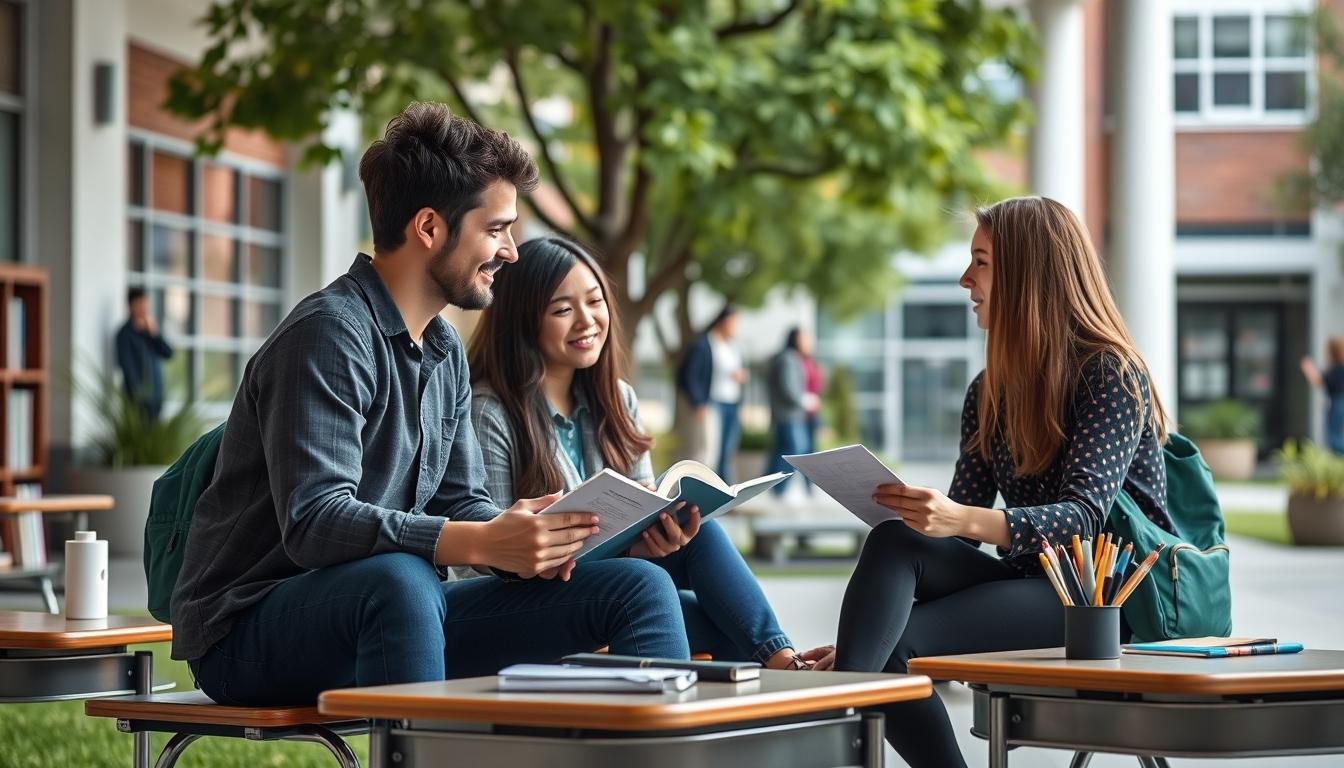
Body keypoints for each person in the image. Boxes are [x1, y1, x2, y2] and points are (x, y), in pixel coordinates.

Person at [170, 103, 689, 707]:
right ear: (428, 228)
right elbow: (314, 521)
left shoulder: (442, 348)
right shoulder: (328, 335)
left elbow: (459, 502)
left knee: (638, 586)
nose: (511, 252)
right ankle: (428, 746)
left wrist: (526, 537)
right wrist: (478, 542)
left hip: (396, 606)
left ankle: (657, 748)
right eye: (496, 230)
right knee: (402, 577)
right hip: (249, 629)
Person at [800, 197, 1178, 768]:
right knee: (894, 541)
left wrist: (956, 519)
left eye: (980, 262)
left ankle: (841, 704)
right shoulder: (989, 390)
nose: (964, 279)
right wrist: (867, 633)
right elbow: (961, 525)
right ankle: (852, 680)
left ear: (1028, 275)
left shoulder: (1110, 373)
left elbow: (1083, 517)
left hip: (1100, 599)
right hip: (1028, 579)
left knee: (898, 647)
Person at [468, 237, 809, 669]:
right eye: (562, 310)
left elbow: (641, 502)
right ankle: (790, 671)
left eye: (595, 302)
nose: (587, 321)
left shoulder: (617, 398)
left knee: (707, 557)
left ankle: (786, 662)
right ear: (522, 319)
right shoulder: (491, 412)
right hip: (529, 598)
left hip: (615, 577)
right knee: (693, 607)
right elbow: (490, 557)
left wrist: (654, 537)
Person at [675, 306, 747, 482]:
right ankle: (699, 486)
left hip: (731, 404)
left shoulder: (733, 347)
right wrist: (698, 402)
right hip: (712, 404)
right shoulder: (703, 345)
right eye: (733, 322)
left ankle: (724, 488)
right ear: (722, 321)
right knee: (708, 450)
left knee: (726, 450)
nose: (735, 327)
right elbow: (689, 376)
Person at [115, 287, 173, 422]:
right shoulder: (124, 334)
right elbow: (127, 367)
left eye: (145, 304)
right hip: (137, 400)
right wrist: (137, 395)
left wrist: (155, 334)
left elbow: (168, 353)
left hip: (155, 396)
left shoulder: (149, 332)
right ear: (131, 306)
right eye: (140, 304)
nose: (143, 308)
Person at [764, 328, 809, 497]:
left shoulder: (789, 358)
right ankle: (777, 489)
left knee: (781, 451)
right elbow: (789, 388)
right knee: (794, 451)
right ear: (796, 339)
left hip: (786, 415)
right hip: (788, 415)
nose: (809, 342)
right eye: (805, 338)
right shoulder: (788, 358)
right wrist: (804, 402)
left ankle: (770, 487)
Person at [1300, 336, 1344, 455]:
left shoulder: (1337, 368)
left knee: (1333, 438)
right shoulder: (1337, 368)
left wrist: (1307, 367)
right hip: (1337, 402)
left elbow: (1317, 381)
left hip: (1337, 402)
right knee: (1334, 436)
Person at [800, 329, 825, 492]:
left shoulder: (812, 362)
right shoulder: (796, 361)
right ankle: (779, 488)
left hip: (812, 412)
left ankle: (809, 486)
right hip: (800, 412)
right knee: (800, 448)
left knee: (811, 449)